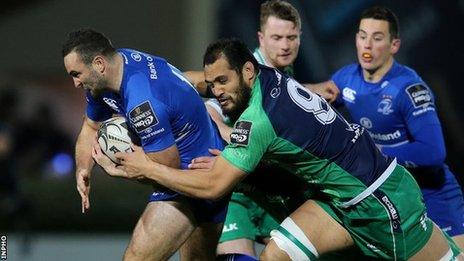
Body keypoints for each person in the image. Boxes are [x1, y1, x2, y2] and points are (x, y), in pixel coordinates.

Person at [94, 38, 462, 260]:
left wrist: (146, 166)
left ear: (249, 71)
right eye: (213, 84)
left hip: (381, 200)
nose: (217, 91)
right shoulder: (271, 79)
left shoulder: (256, 122)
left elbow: (212, 186)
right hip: (337, 203)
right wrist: (163, 78)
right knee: (277, 253)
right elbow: (196, 83)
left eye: (224, 81)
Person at [185, 1, 340, 258]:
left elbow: (276, 98)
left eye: (292, 37)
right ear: (261, 38)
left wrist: (308, 89)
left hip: (271, 189)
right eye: (277, 37)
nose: (285, 45)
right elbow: (210, 107)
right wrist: (232, 134)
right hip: (236, 188)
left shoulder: (282, 73)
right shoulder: (244, 71)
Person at [61, 29, 228, 260]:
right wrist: (83, 168)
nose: (76, 83)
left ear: (99, 64)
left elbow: (165, 169)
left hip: (191, 180)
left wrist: (120, 170)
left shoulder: (142, 104)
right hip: (200, 163)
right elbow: (91, 127)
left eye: (76, 74)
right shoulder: (116, 65)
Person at [323, 6, 464, 248]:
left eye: (377, 38)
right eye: (362, 35)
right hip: (396, 199)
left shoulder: (409, 89)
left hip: (434, 196)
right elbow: (314, 93)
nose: (367, 45)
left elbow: (433, 152)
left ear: (394, 45)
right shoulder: (347, 77)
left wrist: (375, 153)